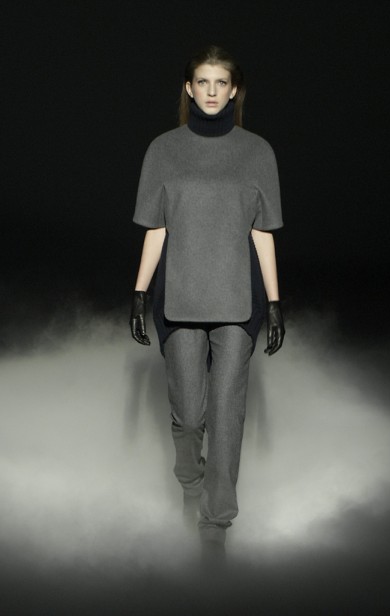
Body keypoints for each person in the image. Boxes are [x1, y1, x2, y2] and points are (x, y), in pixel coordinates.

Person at [130, 45, 285, 565]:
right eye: (203, 81)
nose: (212, 91)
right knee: (190, 416)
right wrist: (138, 292)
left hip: (239, 301)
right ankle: (190, 483)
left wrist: (275, 301)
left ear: (234, 89)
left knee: (226, 416)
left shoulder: (257, 151)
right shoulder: (163, 149)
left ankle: (215, 525)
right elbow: (157, 227)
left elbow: (262, 233)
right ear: (189, 88)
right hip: (178, 297)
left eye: (221, 82)